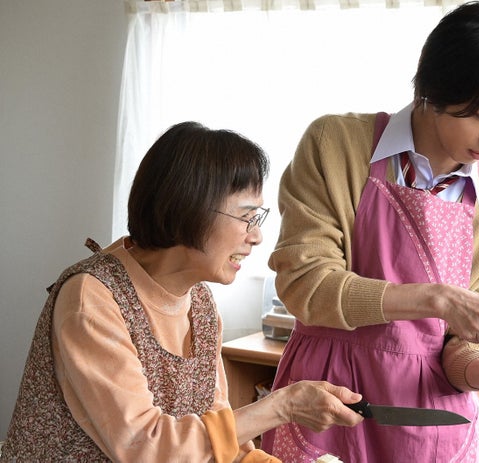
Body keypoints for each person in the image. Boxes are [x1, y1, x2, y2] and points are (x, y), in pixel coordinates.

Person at [261, 1, 479, 462]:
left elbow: (456, 355)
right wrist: (435, 299)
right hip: (325, 407)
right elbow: (306, 286)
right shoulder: (336, 146)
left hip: (431, 431)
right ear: (431, 87)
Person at [0, 122, 363, 463]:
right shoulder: (92, 299)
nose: (257, 236)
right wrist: (280, 407)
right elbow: (146, 447)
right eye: (247, 217)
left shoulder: (201, 304)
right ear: (189, 208)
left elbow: (220, 441)